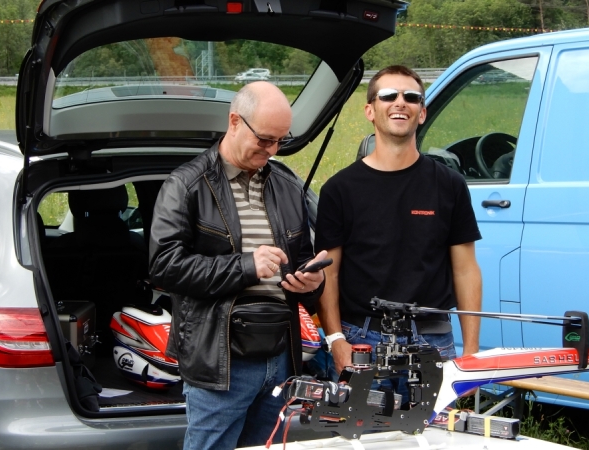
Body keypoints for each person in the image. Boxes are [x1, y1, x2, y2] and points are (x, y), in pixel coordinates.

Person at [149, 81, 328, 450]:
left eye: (280, 140)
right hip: (221, 360)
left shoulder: (287, 185)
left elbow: (301, 260)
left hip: (281, 356)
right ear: (234, 121)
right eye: (264, 139)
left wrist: (314, 282)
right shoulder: (186, 184)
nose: (272, 149)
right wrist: (246, 266)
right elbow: (164, 266)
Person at [315, 65, 483, 402]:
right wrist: (335, 340)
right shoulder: (339, 189)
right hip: (361, 341)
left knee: (434, 431)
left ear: (422, 113)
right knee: (361, 431)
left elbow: (466, 270)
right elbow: (327, 273)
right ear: (370, 110)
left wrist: (472, 354)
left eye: (412, 97)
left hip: (433, 342)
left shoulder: (449, 185)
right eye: (389, 95)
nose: (400, 102)